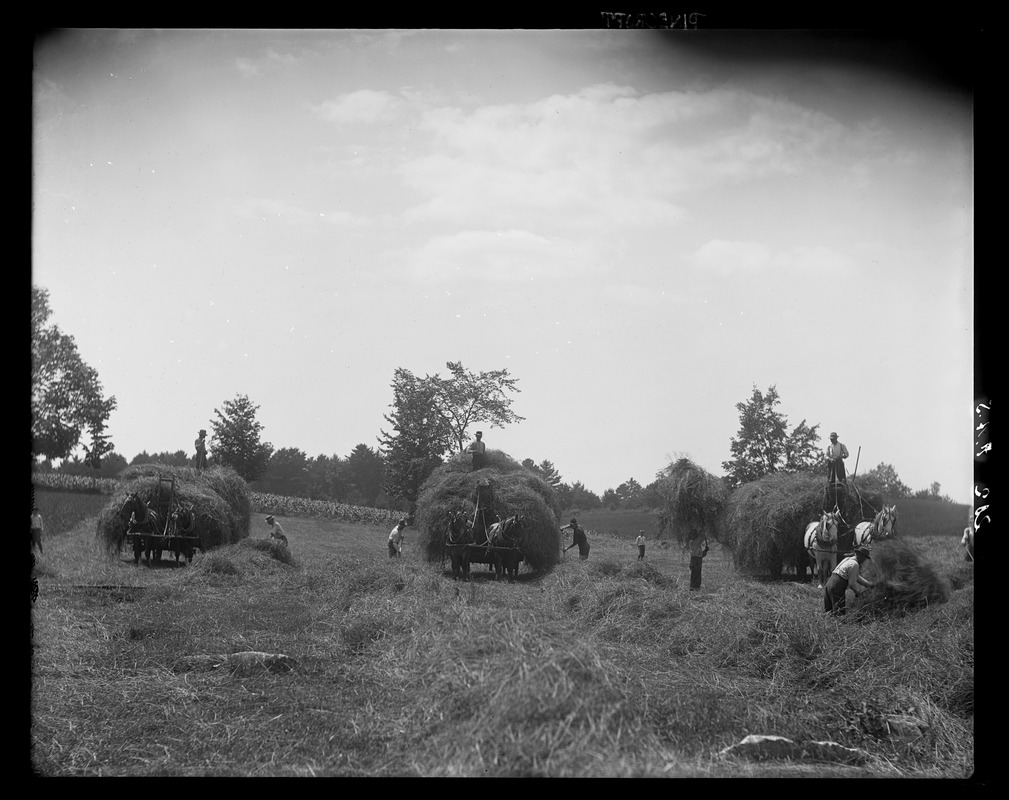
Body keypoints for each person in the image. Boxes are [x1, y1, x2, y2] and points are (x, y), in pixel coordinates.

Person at [824, 546, 875, 615]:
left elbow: (856, 576)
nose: (864, 561)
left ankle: (827, 624)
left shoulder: (847, 560)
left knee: (829, 611)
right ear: (860, 556)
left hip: (829, 584)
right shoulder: (855, 564)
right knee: (839, 612)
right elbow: (852, 584)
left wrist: (868, 584)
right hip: (837, 586)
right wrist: (858, 592)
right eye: (864, 558)